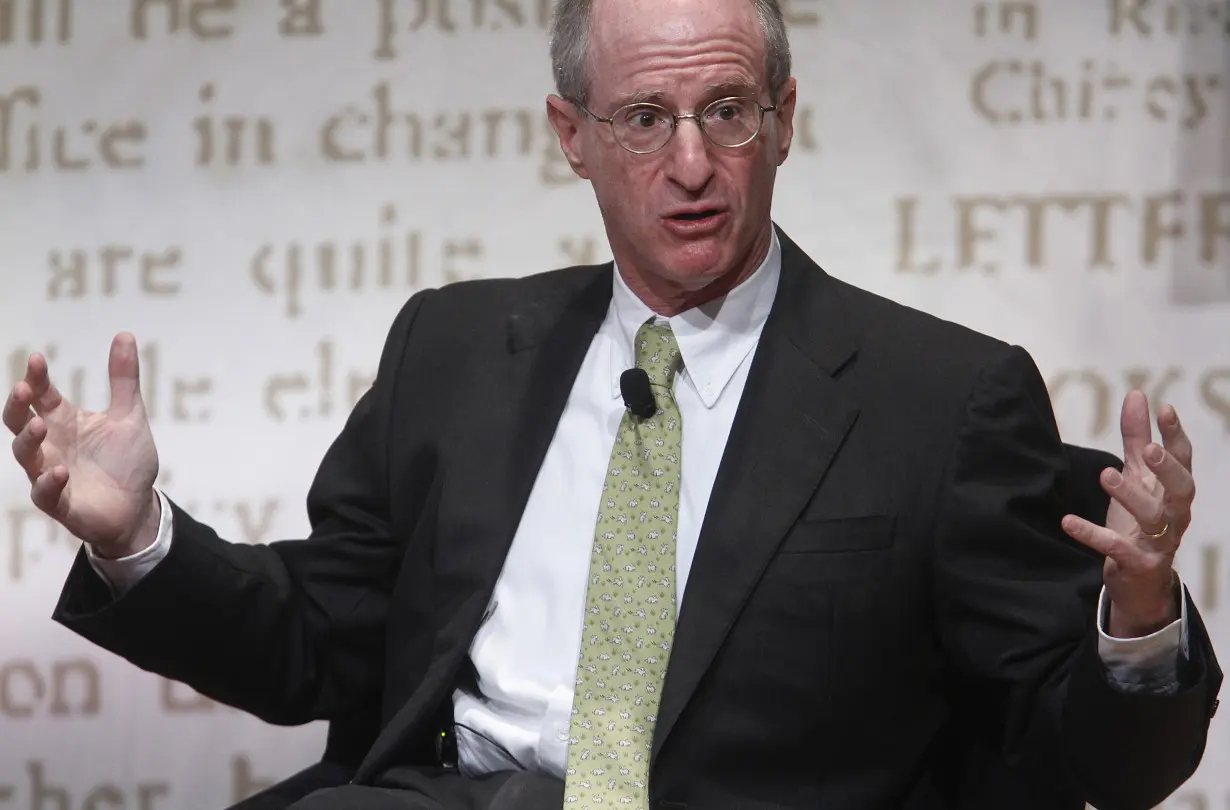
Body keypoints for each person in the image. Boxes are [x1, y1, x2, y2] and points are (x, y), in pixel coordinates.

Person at [4, 0, 1222, 807]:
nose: (691, 165)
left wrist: (1139, 608)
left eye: (727, 113)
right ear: (571, 135)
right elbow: (317, 648)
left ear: (783, 123)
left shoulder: (943, 399)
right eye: (644, 119)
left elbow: (1109, 767)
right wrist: (138, 541)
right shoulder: (458, 347)